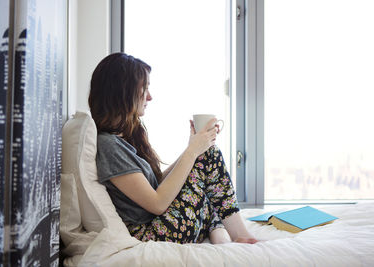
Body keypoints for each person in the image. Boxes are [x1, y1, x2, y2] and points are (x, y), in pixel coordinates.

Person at [88, 52, 257, 244]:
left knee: (206, 157)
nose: (149, 97)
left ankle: (224, 234)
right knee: (209, 156)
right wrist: (194, 151)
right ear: (121, 92)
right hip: (150, 232)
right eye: (144, 89)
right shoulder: (108, 146)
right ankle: (234, 235)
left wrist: (193, 148)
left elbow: (158, 182)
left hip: (159, 224)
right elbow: (158, 203)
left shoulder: (120, 140)